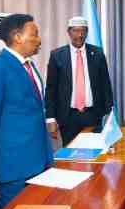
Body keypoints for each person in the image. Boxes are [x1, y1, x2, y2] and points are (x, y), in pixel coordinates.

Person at [0, 14, 53, 209]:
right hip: (12, 168)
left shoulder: (29, 65)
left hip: (38, 161)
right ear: (17, 37)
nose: (39, 39)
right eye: (34, 34)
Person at [45, 16, 113, 146]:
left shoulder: (97, 53)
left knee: (94, 151)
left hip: (93, 114)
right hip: (67, 116)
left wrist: (109, 112)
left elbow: (105, 84)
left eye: (83, 31)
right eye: (76, 31)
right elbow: (51, 89)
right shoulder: (57, 55)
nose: (80, 35)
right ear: (69, 32)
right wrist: (50, 118)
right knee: (70, 151)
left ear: (87, 32)